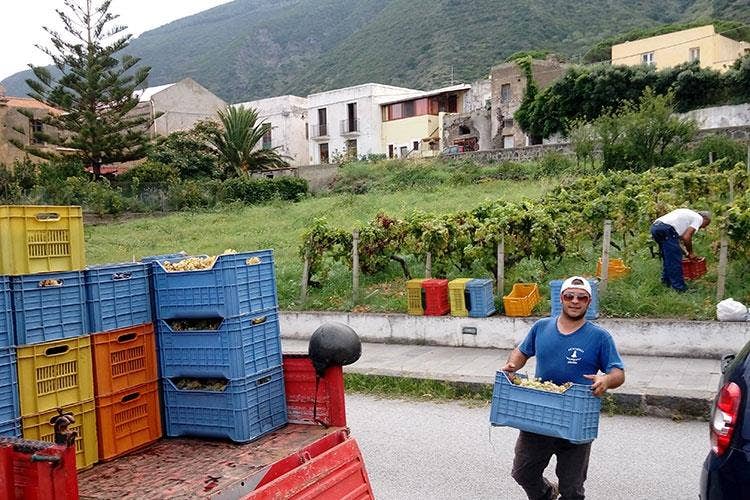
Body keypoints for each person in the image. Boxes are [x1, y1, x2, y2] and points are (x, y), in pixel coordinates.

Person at [502, 276, 625, 500]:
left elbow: (618, 373)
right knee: (523, 472)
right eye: (570, 296)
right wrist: (513, 365)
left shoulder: (600, 337)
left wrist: (606, 381)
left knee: (572, 489)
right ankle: (547, 493)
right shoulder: (541, 327)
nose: (575, 301)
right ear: (561, 299)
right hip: (540, 414)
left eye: (581, 297)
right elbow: (521, 352)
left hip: (576, 418)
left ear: (589, 302)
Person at [650, 209, 711, 292]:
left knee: (669, 258)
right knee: (675, 261)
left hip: (656, 227)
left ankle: (666, 283)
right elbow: (687, 237)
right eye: (705, 224)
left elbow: (677, 242)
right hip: (666, 229)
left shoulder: (687, 217)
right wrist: (691, 253)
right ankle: (680, 289)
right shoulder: (698, 218)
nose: (703, 227)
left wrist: (686, 253)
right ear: (705, 219)